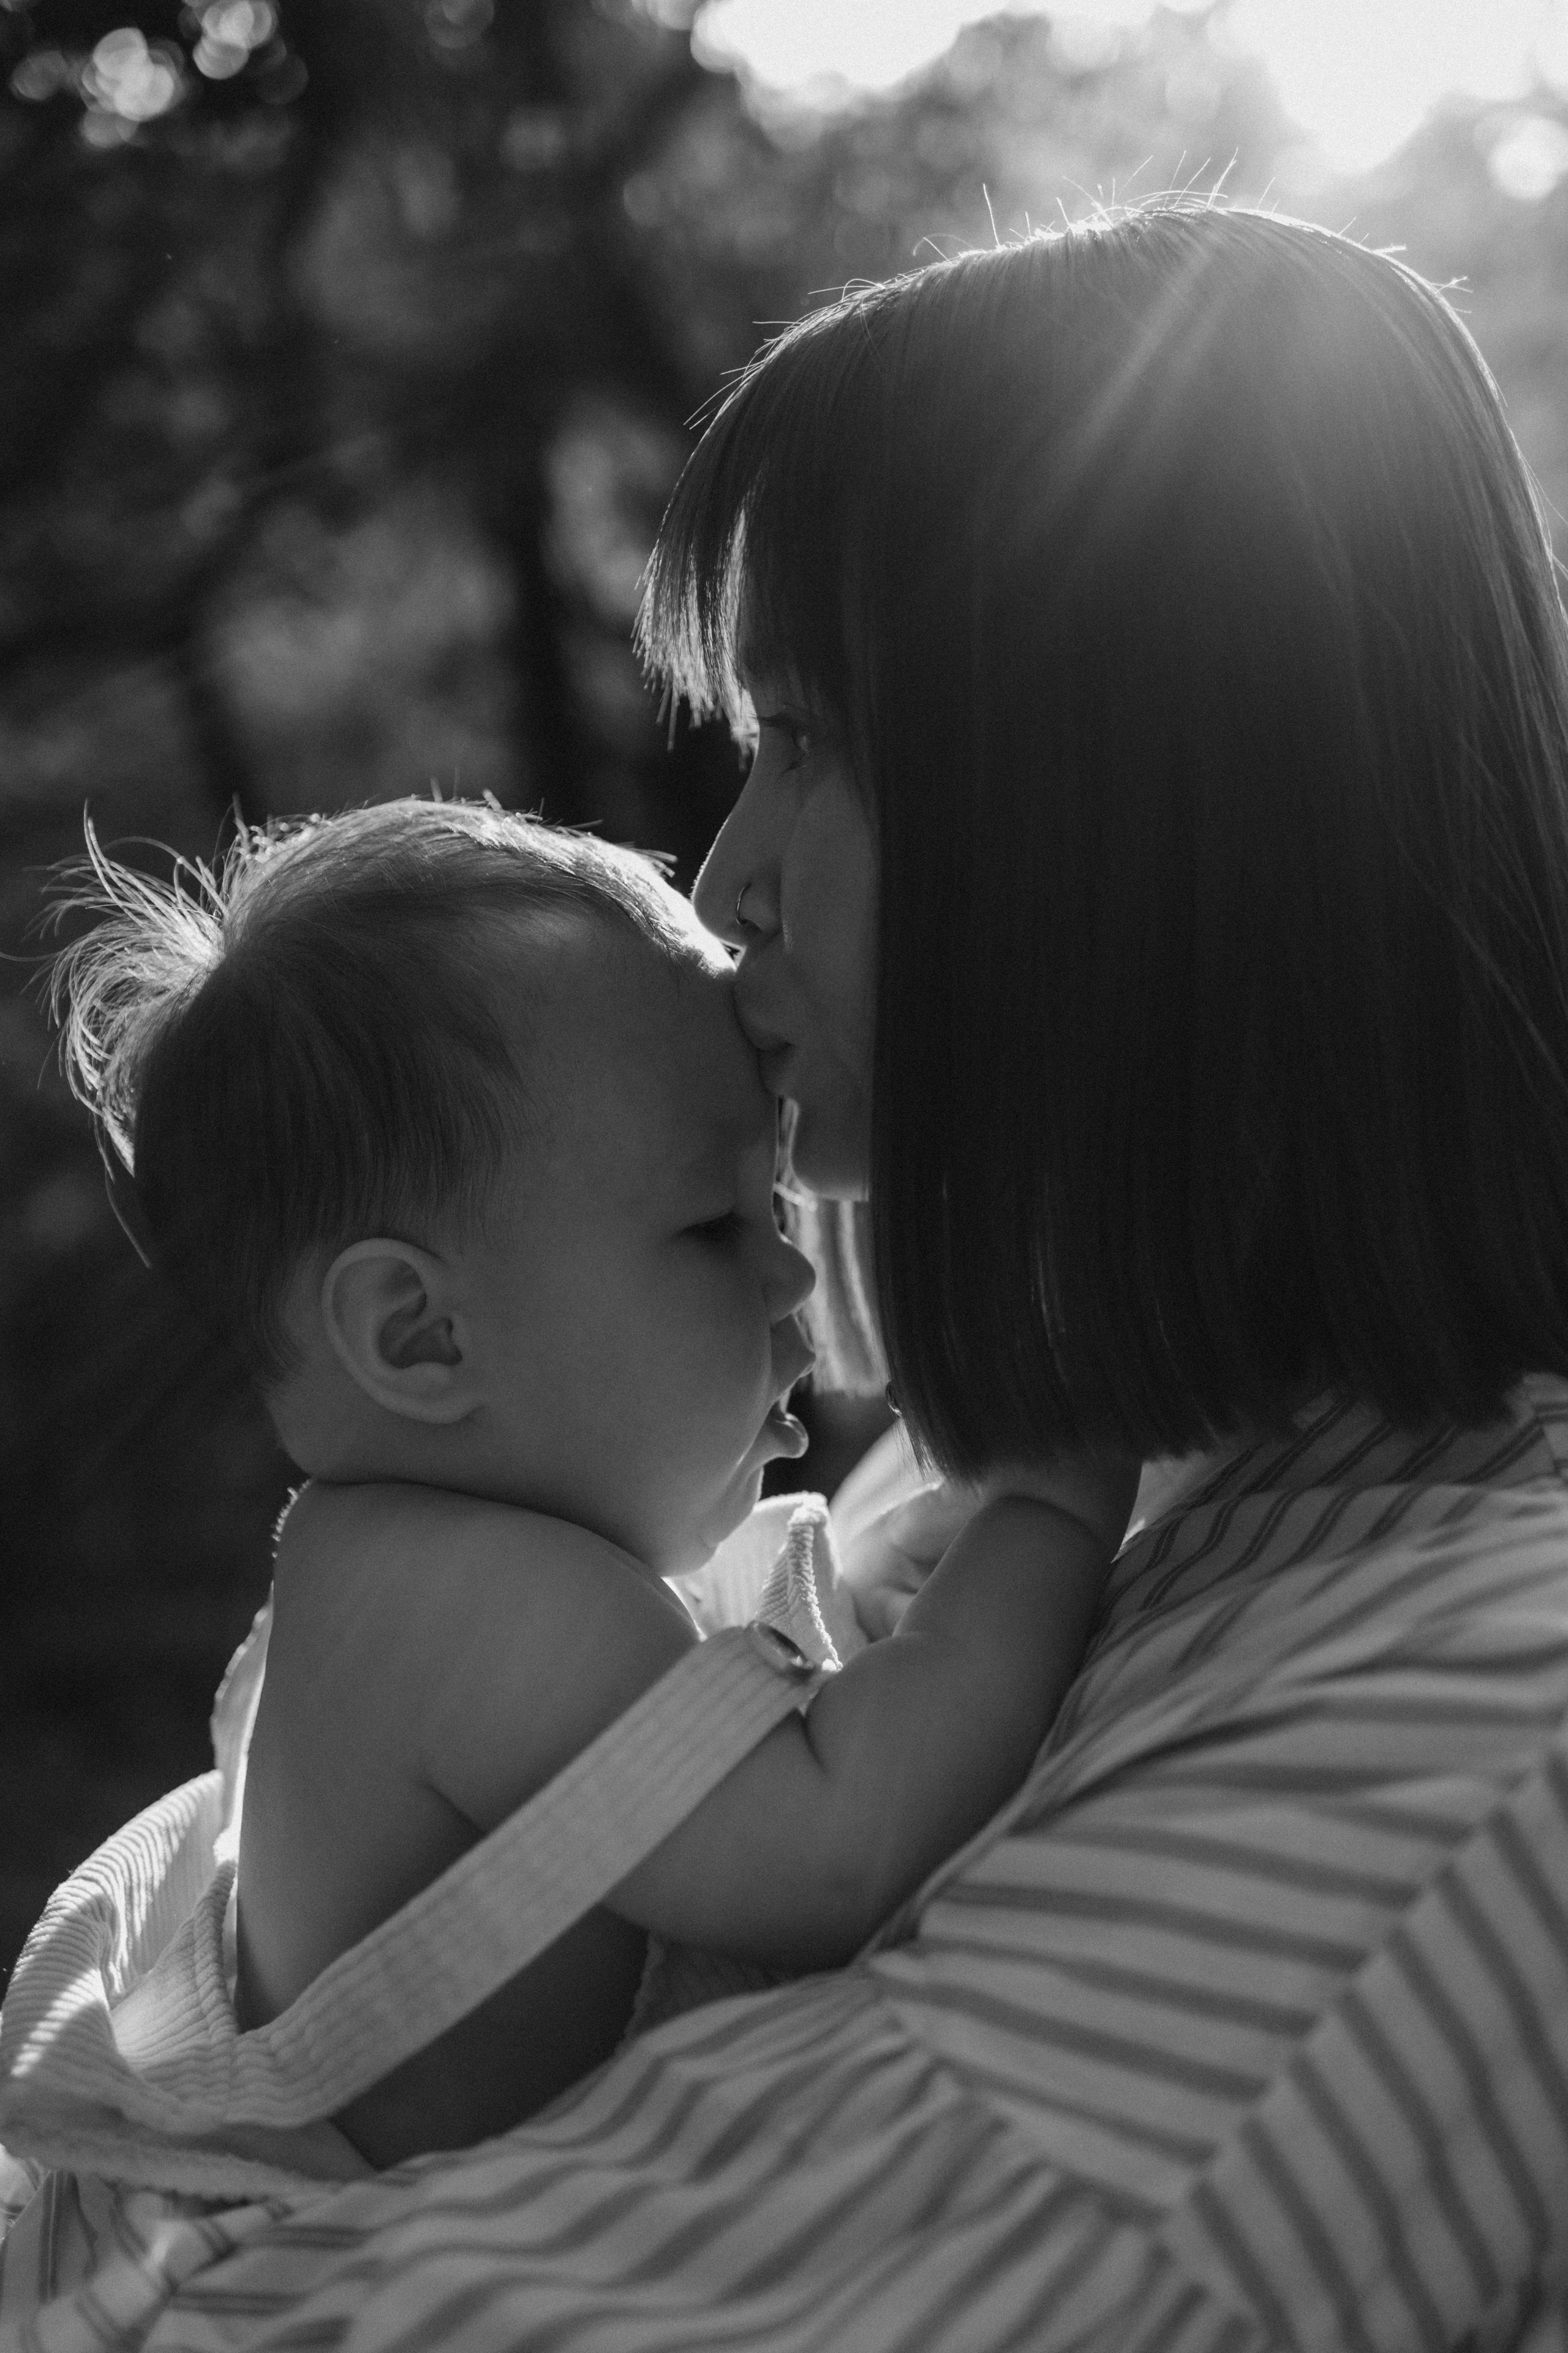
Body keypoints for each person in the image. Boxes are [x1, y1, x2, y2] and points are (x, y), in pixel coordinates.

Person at [7, 195, 1568, 2350]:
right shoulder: (1127, 1485)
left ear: (1118, 821)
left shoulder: (1464, 1730)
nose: (727, 877)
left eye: (813, 737)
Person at [39, 796, 1129, 2168]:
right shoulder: (464, 1605)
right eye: (709, 1225)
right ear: (420, 1335)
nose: (791, 1273)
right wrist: (1056, 1491)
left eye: (775, 1207)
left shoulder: (438, 1560)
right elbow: (840, 1845)